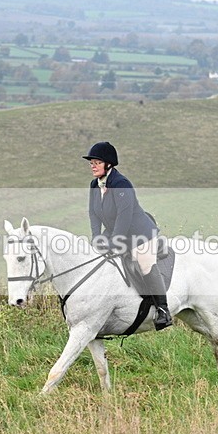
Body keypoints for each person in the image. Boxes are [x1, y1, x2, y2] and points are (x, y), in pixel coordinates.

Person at [83, 141, 172, 330]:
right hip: (115, 231)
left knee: (144, 264)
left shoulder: (121, 184)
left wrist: (115, 242)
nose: (92, 166)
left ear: (108, 164)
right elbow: (93, 213)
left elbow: (124, 217)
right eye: (91, 163)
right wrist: (95, 237)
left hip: (140, 233)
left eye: (96, 162)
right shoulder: (94, 185)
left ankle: (163, 310)